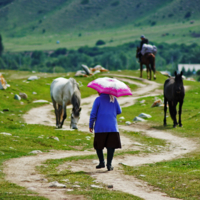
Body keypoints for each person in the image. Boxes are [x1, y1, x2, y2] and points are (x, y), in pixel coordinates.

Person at [89, 93, 122, 171]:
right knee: (111, 146)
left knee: (98, 146)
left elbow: (93, 114)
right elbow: (119, 111)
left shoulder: (98, 100)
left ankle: (102, 162)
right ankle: (109, 165)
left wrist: (91, 125)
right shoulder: (114, 99)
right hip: (112, 127)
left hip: (100, 128)